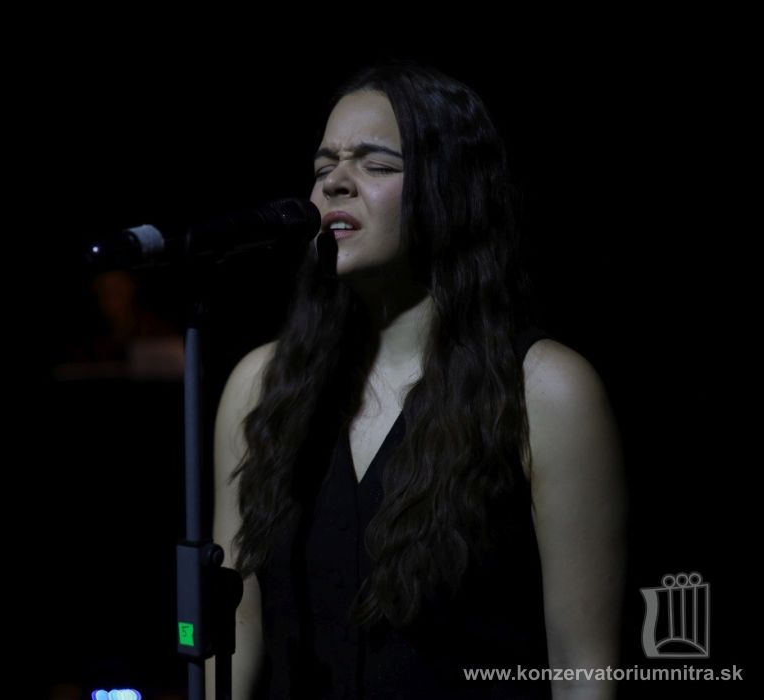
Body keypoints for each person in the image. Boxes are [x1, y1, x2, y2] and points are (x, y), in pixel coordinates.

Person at [206, 60, 626, 699]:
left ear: (450, 187)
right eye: (324, 166)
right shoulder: (259, 386)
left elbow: (583, 670)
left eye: (376, 165)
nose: (335, 184)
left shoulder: (546, 391)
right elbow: (236, 628)